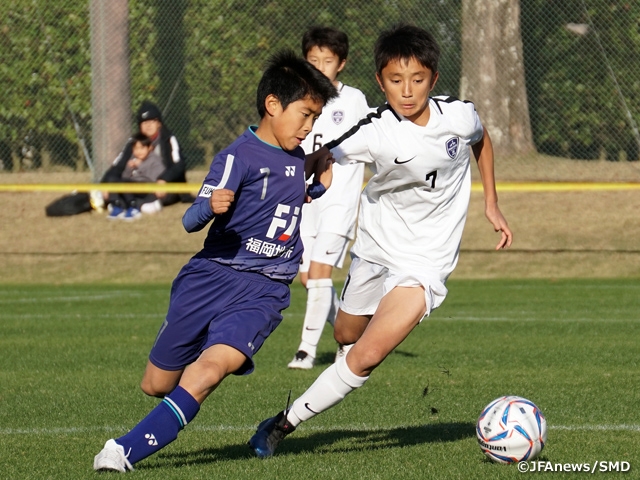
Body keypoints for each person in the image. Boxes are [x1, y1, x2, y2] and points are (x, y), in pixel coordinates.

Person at [249, 24, 513, 458]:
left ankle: (281, 424)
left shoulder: (459, 116)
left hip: (426, 262)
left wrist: (492, 203)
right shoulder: (374, 128)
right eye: (395, 80)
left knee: (367, 355)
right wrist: (299, 178)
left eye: (417, 80)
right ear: (380, 81)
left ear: (433, 78)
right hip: (375, 249)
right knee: (346, 332)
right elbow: (323, 154)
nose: (407, 91)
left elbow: (480, 139)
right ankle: (342, 358)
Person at [92, 50, 337, 472]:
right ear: (273, 104)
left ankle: (122, 451)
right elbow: (190, 220)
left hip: (264, 291)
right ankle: (198, 355)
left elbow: (285, 201)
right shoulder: (237, 157)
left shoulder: (298, 156)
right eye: (305, 114)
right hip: (211, 278)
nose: (309, 126)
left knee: (209, 372)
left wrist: (317, 183)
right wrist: (210, 206)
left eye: (315, 117)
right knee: (157, 384)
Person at [288, 26, 371, 370]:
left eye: (328, 60)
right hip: (305, 200)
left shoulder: (353, 100)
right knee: (308, 279)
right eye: (313, 60)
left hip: (339, 200)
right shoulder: (297, 97)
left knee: (320, 273)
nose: (320, 66)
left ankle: (305, 351)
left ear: (342, 63)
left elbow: (372, 139)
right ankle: (350, 337)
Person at [97, 100, 190, 215]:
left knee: (163, 193)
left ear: (159, 123)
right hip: (136, 184)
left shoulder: (168, 139)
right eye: (144, 122)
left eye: (152, 121)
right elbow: (118, 165)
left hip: (163, 186)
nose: (148, 125)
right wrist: (105, 184)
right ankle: (125, 203)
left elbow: (179, 165)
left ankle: (138, 204)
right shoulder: (133, 142)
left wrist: (164, 179)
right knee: (115, 183)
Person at [106, 132, 166, 220]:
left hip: (146, 188)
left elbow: (153, 178)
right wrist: (129, 168)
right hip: (131, 189)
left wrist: (140, 166)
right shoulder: (133, 159)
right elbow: (125, 177)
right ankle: (116, 205)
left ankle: (133, 206)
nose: (139, 152)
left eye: (142, 148)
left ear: (149, 148)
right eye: (136, 149)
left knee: (126, 184)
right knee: (113, 179)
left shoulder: (154, 160)